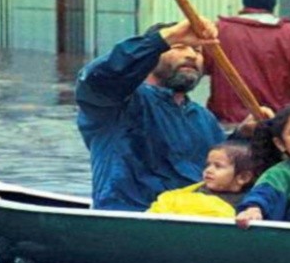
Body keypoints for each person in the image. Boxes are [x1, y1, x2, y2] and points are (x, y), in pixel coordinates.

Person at [76, 18, 269, 211]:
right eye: (179, 46)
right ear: (151, 58)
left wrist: (244, 135)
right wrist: (164, 38)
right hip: (132, 217)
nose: (191, 56)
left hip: (192, 217)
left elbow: (222, 169)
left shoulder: (203, 118)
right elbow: (97, 78)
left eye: (197, 50)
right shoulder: (118, 103)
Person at [147, 141, 257, 217]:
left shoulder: (248, 205)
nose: (208, 170)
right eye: (208, 165)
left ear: (243, 177)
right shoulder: (191, 192)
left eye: (218, 166)